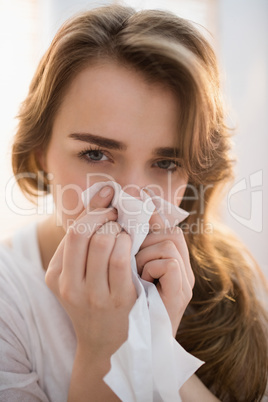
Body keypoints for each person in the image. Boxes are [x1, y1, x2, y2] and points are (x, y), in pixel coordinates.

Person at [0, 4, 267, 401]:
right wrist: (104, 349)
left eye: (165, 162)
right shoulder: (9, 299)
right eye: (95, 154)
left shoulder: (231, 279)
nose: (134, 196)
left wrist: (153, 336)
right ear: (41, 154)